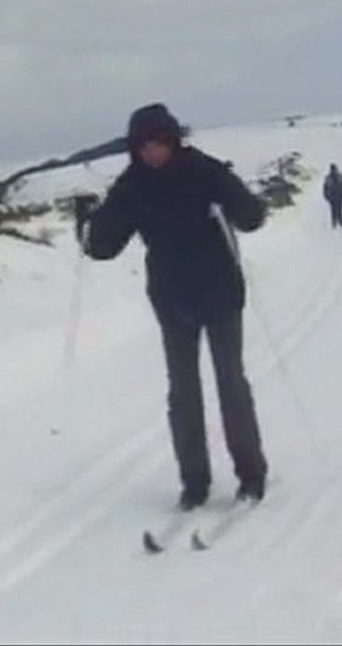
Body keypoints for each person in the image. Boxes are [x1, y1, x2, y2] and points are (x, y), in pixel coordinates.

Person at [77, 103, 269, 511]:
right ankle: (194, 483)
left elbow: (251, 217)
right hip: (172, 297)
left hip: (219, 291)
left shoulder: (203, 170)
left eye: (159, 142)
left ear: (173, 138)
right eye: (144, 145)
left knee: (230, 382)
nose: (153, 151)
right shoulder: (132, 186)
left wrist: (244, 206)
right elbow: (105, 247)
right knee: (183, 392)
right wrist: (89, 227)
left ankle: (251, 475)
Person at [323, 163, 342, 228]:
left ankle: (340, 223)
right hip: (333, 197)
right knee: (334, 210)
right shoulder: (329, 178)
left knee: (338, 210)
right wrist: (327, 196)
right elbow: (325, 188)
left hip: (339, 197)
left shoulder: (340, 177)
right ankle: (335, 223)